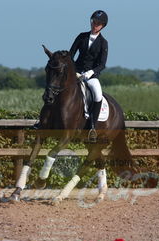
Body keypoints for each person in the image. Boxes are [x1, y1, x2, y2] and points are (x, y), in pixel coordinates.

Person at [69, 10, 108, 142]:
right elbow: (71, 55)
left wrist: (91, 72)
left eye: (98, 23)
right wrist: (74, 70)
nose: (94, 25)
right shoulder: (81, 37)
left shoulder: (103, 43)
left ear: (102, 26)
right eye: (93, 22)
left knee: (98, 94)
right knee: (58, 88)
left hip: (91, 76)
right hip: (76, 73)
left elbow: (102, 64)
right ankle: (43, 120)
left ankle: (92, 127)